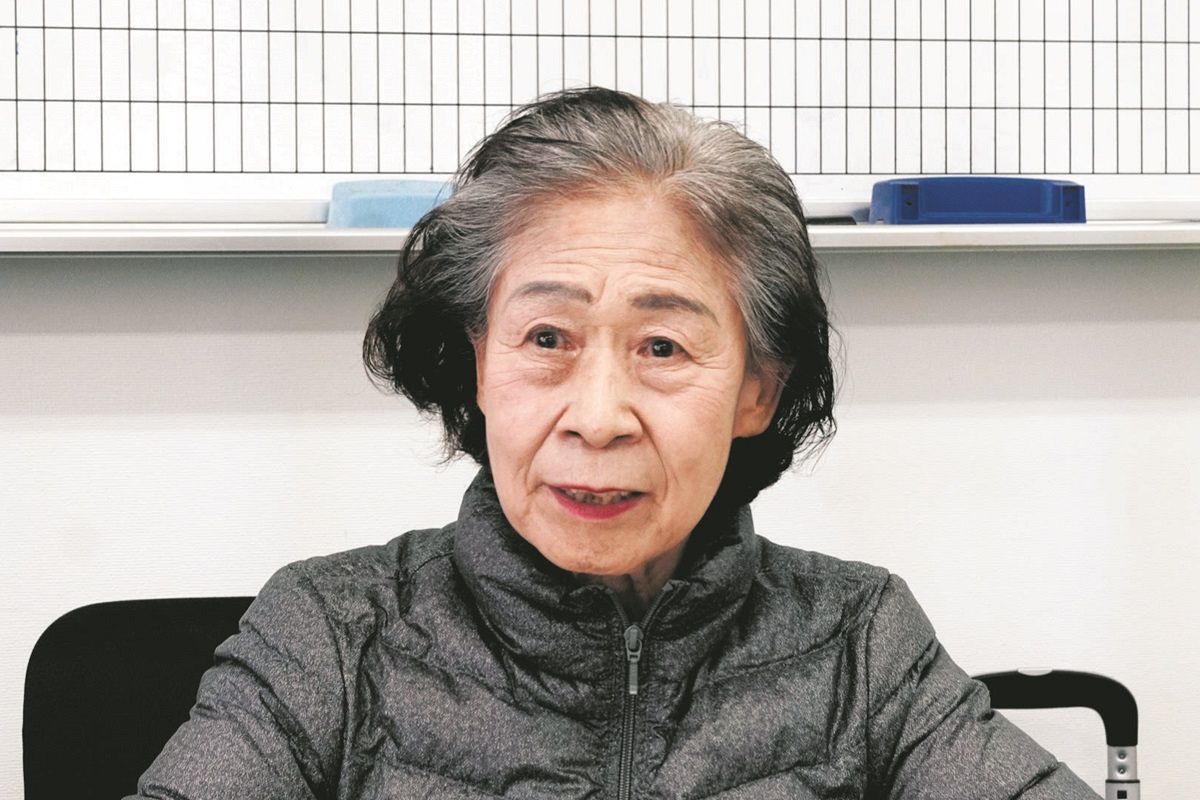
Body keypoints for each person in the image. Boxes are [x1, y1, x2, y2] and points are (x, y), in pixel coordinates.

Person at [128, 87, 1099, 799]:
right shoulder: (333, 632)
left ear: (756, 389)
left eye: (662, 346)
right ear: (476, 363)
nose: (598, 416)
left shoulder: (860, 639)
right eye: (547, 338)